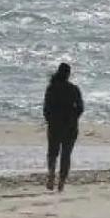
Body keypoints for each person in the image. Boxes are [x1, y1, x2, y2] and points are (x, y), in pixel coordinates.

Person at [43, 62, 84, 191]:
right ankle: (61, 182)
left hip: (55, 125)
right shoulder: (74, 89)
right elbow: (81, 108)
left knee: (52, 153)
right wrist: (74, 117)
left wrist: (49, 119)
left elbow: (46, 108)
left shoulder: (51, 88)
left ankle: (51, 175)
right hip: (70, 126)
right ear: (68, 74)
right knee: (66, 155)